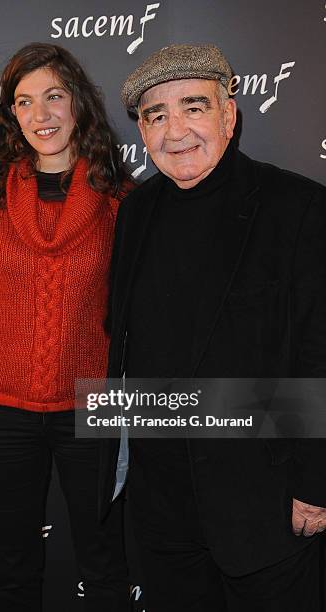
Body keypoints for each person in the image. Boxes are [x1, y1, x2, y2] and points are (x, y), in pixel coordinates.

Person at [99, 44, 326, 611]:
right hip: (162, 510)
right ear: (144, 132)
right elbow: (124, 337)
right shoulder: (135, 211)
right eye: (156, 115)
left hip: (265, 508)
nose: (175, 130)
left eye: (193, 106)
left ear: (230, 115)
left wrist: (316, 485)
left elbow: (320, 353)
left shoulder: (298, 207)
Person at [0, 42, 131, 612]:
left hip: (91, 411)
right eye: (25, 102)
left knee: (103, 565)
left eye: (53, 96)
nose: (41, 115)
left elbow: (138, 315)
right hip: (5, 414)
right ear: (11, 116)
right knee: (15, 569)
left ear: (78, 105)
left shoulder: (121, 200)